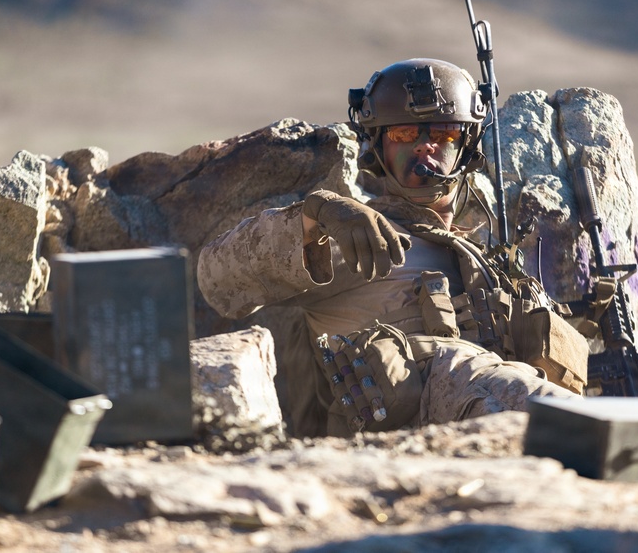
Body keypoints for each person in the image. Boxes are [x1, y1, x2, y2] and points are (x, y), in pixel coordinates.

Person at [197, 58, 588, 436]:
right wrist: (314, 216)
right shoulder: (355, 238)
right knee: (467, 369)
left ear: (467, 146)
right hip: (390, 444)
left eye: (443, 134)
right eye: (403, 135)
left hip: (497, 440)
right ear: (377, 148)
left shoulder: (484, 260)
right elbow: (216, 280)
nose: (423, 148)